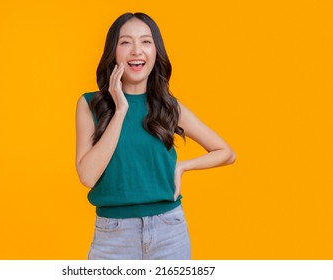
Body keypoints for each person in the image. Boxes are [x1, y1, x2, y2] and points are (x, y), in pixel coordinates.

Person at [75, 12, 236, 260]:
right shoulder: (90, 105)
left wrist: (181, 167)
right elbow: (87, 176)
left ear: (155, 52)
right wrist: (120, 111)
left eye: (146, 42)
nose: (136, 50)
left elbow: (226, 152)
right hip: (113, 236)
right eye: (126, 42)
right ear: (113, 52)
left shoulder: (168, 106)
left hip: (169, 231)